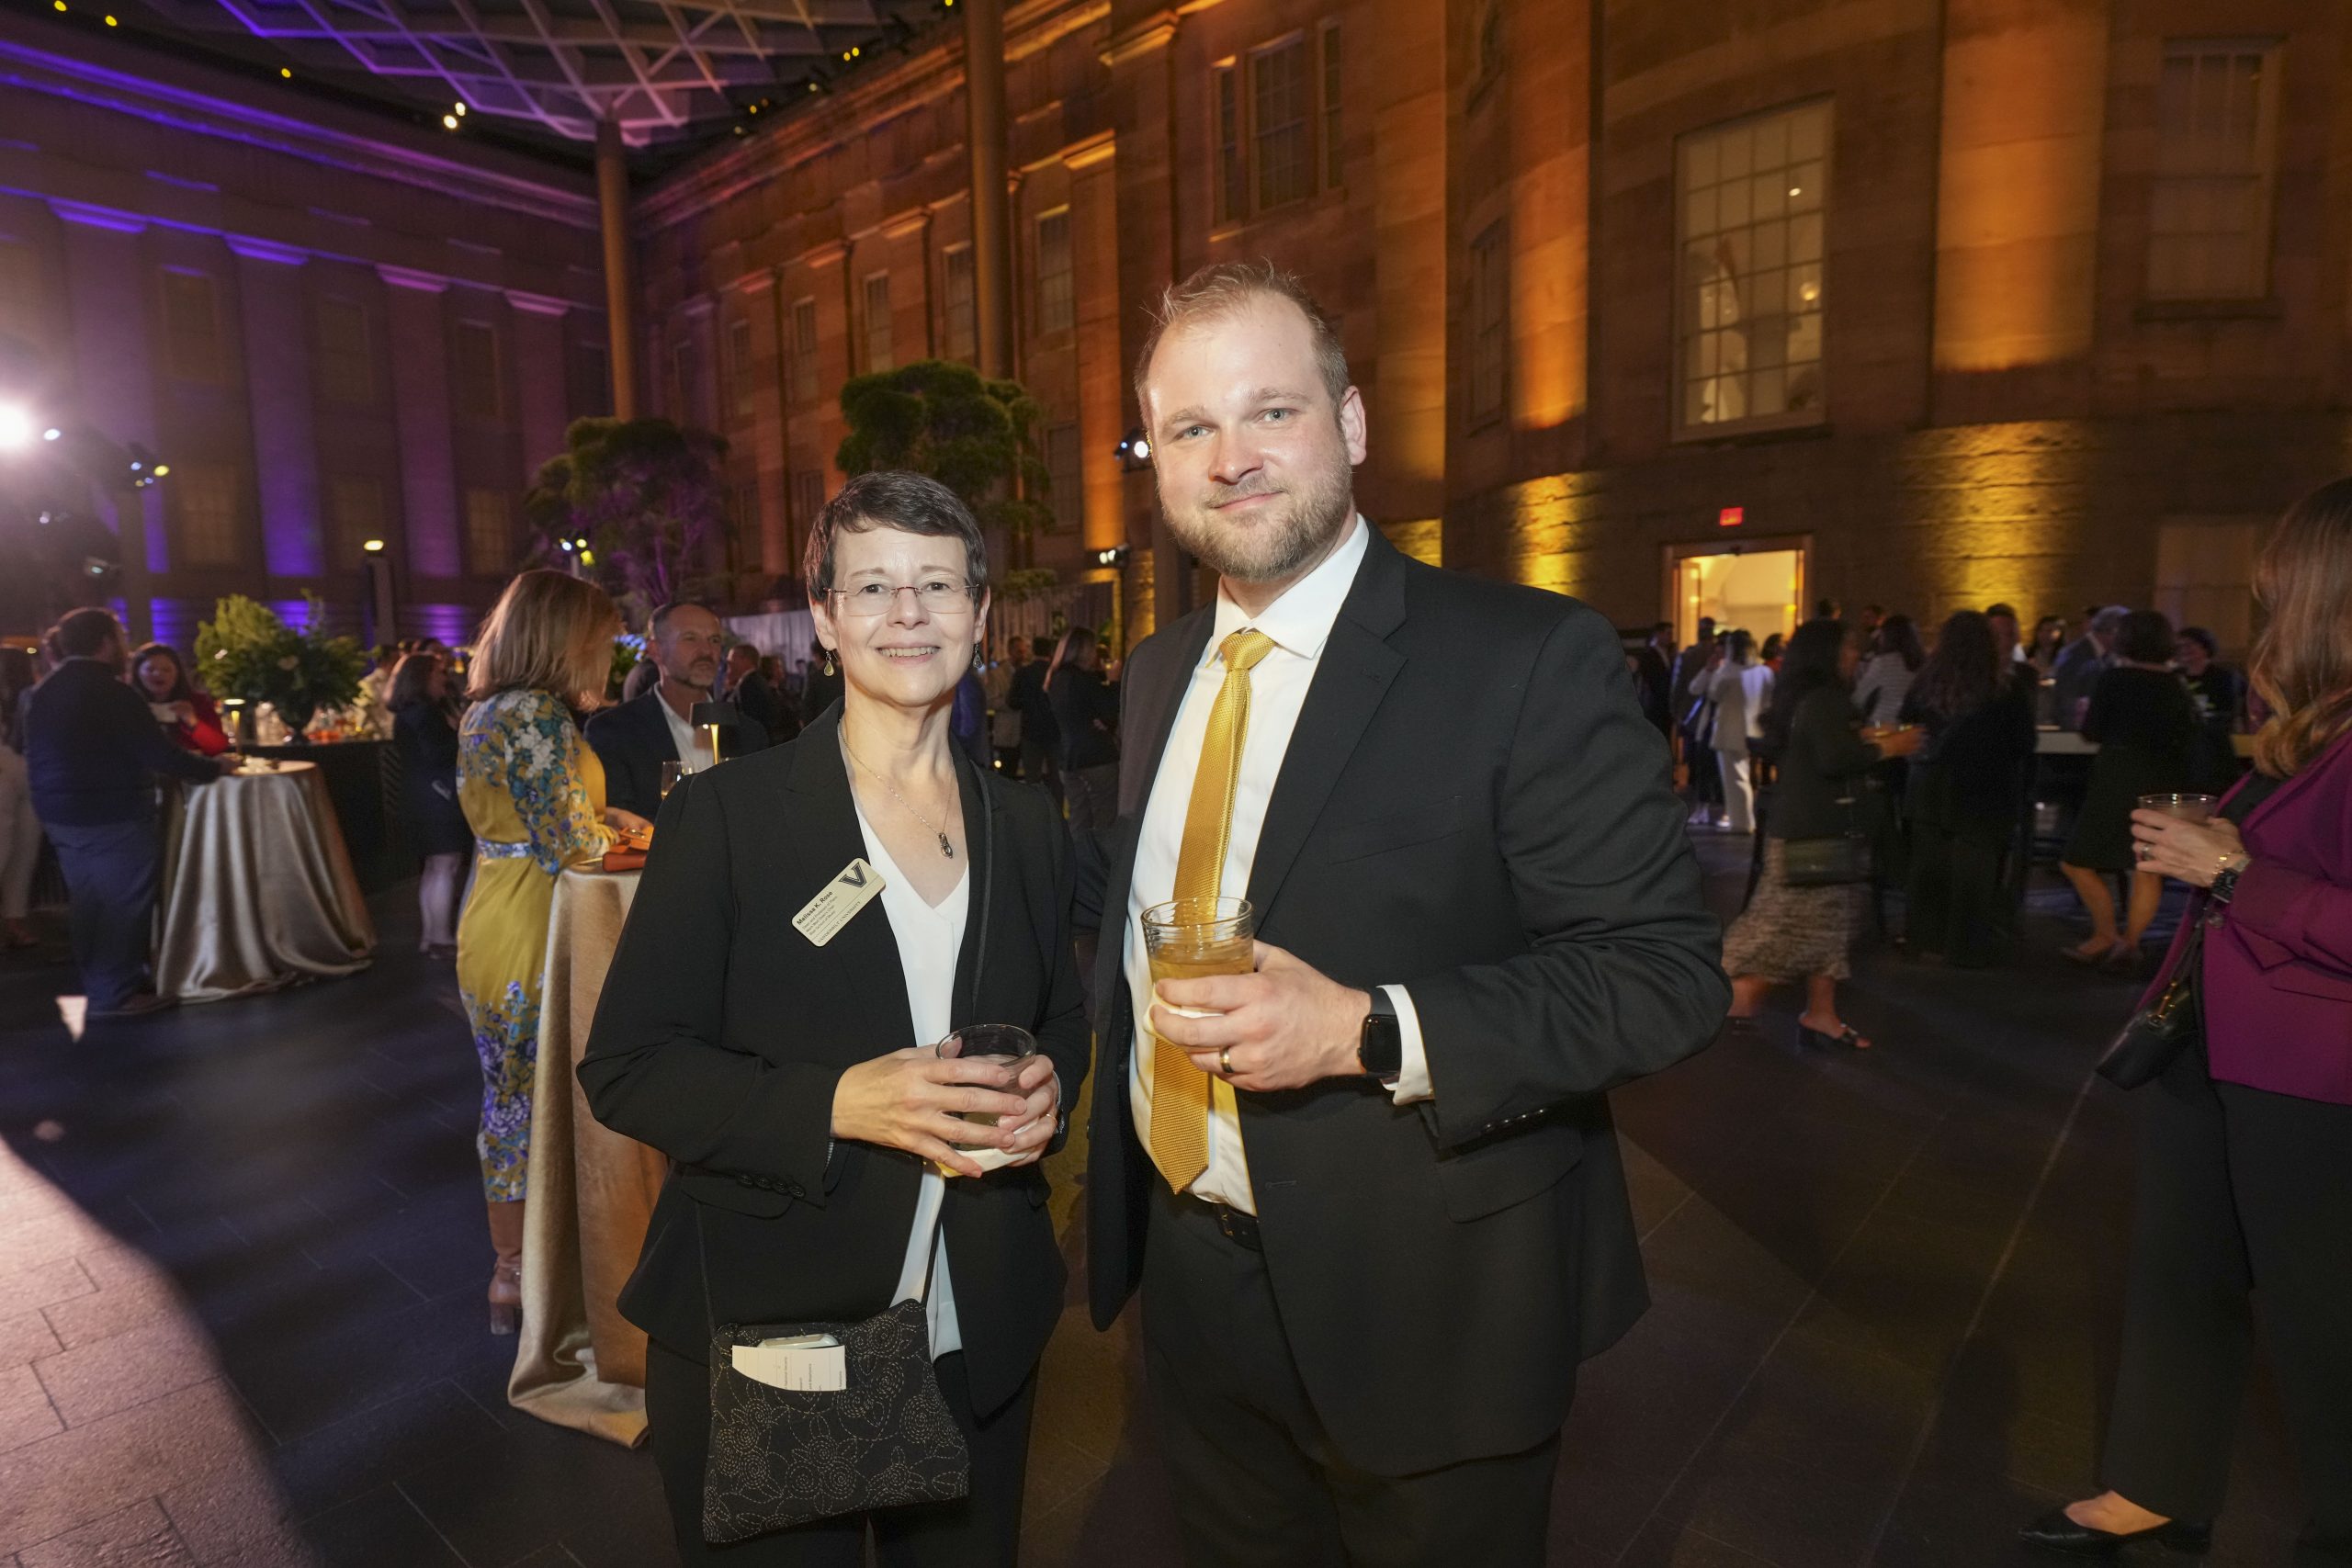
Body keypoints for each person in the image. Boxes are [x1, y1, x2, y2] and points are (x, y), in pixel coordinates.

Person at [1079, 260, 1725, 1567]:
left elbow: (1663, 974)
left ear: (1352, 422)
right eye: (1190, 428)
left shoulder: (1523, 657)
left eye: (1271, 411)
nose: (1230, 459)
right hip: (1192, 1278)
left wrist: (1366, 1028)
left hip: (1429, 1294)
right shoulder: (1155, 673)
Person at [581, 470, 1088, 1566]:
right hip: (777, 1331)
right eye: (873, 586)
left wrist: (1048, 1084)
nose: (908, 613)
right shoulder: (727, 816)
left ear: (979, 612)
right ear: (824, 615)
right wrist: (837, 1103)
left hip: (976, 1322)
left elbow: (1061, 1017)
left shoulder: (1025, 823)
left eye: (937, 585)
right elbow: (628, 1065)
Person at [2022, 477, 2352, 1564]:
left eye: (2278, 589)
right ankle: (2154, 1484)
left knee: (2323, 1321)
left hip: (2312, 1072)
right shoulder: (2321, 726)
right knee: (2179, 1272)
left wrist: (2237, 871)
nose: (2266, 611)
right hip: (2215, 1044)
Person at [455, 571, 646, 1335]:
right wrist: (647, 840)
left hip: (496, 911)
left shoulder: (487, 708)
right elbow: (571, 845)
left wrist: (608, 816)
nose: (606, 653)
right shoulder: (536, 714)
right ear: (565, 637)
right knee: (550, 1097)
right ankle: (549, 1268)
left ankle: (512, 1271)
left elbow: (541, 816)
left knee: (509, 1098)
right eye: (598, 638)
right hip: (540, 920)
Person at [1721, 619, 1923, 1048]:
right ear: (1826, 654)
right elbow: (1833, 759)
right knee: (1783, 924)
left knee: (1829, 925)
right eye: (1848, 648)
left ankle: (1821, 1014)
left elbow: (1819, 746)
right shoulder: (1826, 699)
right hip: (1814, 832)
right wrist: (1888, 747)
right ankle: (1728, 992)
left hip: (1805, 828)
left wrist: (1863, 737)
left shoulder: (1805, 698)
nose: (1855, 655)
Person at [23, 608, 234, 1014]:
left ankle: (99, 983)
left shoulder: (45, 689)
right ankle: (116, 993)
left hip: (58, 811)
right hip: (110, 810)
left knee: (89, 901)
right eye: (120, 636)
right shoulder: (112, 692)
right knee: (123, 903)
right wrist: (215, 768)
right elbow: (159, 755)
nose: (125, 645)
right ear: (105, 642)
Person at [2059, 610, 2199, 967]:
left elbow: (2092, 730)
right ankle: (2131, 942)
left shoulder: (2115, 679)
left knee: (2076, 861)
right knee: (2146, 865)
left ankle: (2105, 933)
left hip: (2118, 775)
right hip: (2162, 779)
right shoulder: (2175, 685)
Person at [1900, 612, 2034, 967]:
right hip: (1984, 790)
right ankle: (1966, 947)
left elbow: (1907, 725)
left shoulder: (1925, 685)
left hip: (1930, 788)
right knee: (1975, 872)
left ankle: (1926, 940)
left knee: (1929, 868)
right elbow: (2023, 742)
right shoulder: (2004, 689)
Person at [584, 602, 768, 821]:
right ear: (656, 651)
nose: (706, 651)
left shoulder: (748, 733)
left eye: (714, 640)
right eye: (690, 638)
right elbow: (619, 823)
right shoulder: (613, 732)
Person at [388, 651, 468, 958]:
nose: (444, 679)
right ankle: (441, 938)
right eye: (438, 673)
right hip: (438, 797)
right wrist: (459, 735)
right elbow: (438, 754)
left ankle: (431, 935)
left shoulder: (406, 712)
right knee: (445, 866)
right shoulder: (427, 713)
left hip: (417, 795)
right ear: (423, 677)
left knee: (433, 869)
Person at [1046, 625, 1119, 832]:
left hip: (1068, 756)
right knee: (1105, 816)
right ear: (1084, 650)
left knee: (1079, 816)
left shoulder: (1054, 678)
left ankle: (1078, 853)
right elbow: (1110, 710)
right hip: (1096, 755)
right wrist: (1114, 682)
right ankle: (1100, 854)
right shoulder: (1085, 679)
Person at [0, 647, 43, 950]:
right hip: (14, 770)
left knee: (24, 852)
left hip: (30, 772)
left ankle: (15, 920)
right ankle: (14, 922)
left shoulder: (32, 695)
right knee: (7, 849)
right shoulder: (33, 694)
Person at [1700, 629, 1763, 832]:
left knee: (1732, 778)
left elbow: (1713, 694)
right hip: (1750, 728)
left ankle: (1740, 822)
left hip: (1728, 728)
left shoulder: (1727, 671)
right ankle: (1744, 820)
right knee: (1743, 776)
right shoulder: (1758, 670)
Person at [2175, 626, 2245, 791]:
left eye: (2189, 645)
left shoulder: (2224, 676)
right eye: (2180, 646)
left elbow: (2235, 706)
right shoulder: (2174, 677)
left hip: (2216, 737)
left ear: (2205, 647)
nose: (2184, 650)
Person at [129, 643, 230, 756]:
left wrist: (192, 720)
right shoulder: (127, 704)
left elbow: (218, 747)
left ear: (177, 673)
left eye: (166, 670)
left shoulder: (197, 702)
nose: (158, 674)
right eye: (150, 669)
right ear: (137, 673)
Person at [2052, 605, 2128, 730]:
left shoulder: (2108, 656)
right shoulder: (2074, 656)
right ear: (2114, 631)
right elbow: (2066, 703)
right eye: (2126, 633)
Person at [1010, 632, 1058, 795]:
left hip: (1030, 730)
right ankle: (1056, 808)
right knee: (1056, 777)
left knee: (1032, 777)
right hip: (1054, 730)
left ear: (1033, 651)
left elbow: (1012, 701)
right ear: (1050, 652)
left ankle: (1035, 808)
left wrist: (1028, 703)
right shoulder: (1056, 673)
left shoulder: (1023, 673)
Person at [1854, 613, 1923, 728]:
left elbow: (1859, 697)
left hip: (1881, 726)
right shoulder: (1922, 663)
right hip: (1910, 728)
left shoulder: (1883, 663)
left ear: (1887, 637)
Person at [725, 641, 796, 745]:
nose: (729, 663)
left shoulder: (750, 685)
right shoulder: (754, 681)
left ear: (745, 660)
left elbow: (752, 720)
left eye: (732, 660)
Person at [797, 635, 844, 730]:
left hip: (821, 726)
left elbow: (808, 706)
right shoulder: (843, 673)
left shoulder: (816, 676)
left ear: (817, 655)